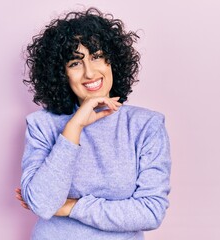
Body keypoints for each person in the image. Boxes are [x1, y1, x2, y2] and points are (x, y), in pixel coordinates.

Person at [15, 7, 172, 240]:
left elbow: (151, 211)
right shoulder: (42, 125)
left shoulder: (146, 125)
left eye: (97, 56)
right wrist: (74, 126)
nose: (89, 72)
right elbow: (43, 204)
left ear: (113, 62)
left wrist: (71, 207)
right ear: (61, 73)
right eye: (75, 63)